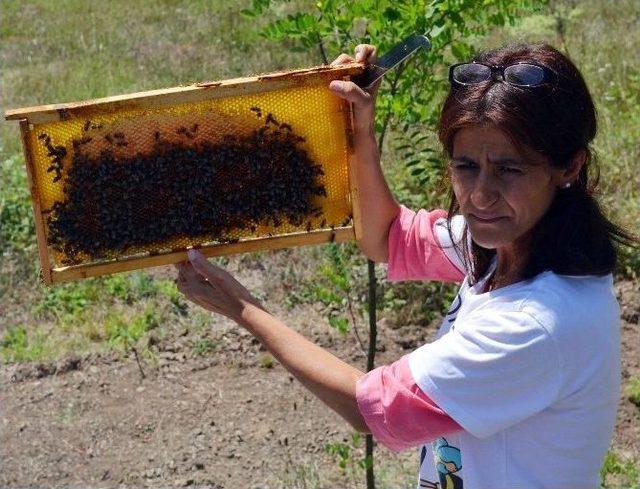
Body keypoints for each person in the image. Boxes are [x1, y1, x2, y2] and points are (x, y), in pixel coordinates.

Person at [174, 42, 638, 488]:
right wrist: (359, 127)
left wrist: (243, 308)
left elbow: (370, 407)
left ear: (569, 167)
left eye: (509, 169)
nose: (480, 194)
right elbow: (388, 238)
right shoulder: (504, 246)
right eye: (465, 166)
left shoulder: (535, 325)